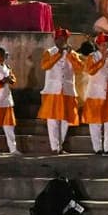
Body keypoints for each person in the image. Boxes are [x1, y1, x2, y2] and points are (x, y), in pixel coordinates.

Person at [78, 33, 108, 155]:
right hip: (96, 93)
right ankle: (97, 148)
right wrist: (102, 60)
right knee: (95, 122)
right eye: (103, 45)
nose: (105, 47)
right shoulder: (92, 56)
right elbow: (90, 71)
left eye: (107, 45)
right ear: (98, 46)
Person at [38, 26, 82, 154]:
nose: (61, 41)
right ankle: (54, 147)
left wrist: (70, 55)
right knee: (52, 119)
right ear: (55, 40)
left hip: (67, 90)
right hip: (52, 90)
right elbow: (45, 66)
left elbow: (79, 69)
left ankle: (59, 146)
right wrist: (58, 54)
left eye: (63, 39)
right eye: (58, 39)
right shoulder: (49, 52)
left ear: (67, 40)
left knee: (65, 120)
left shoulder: (72, 53)